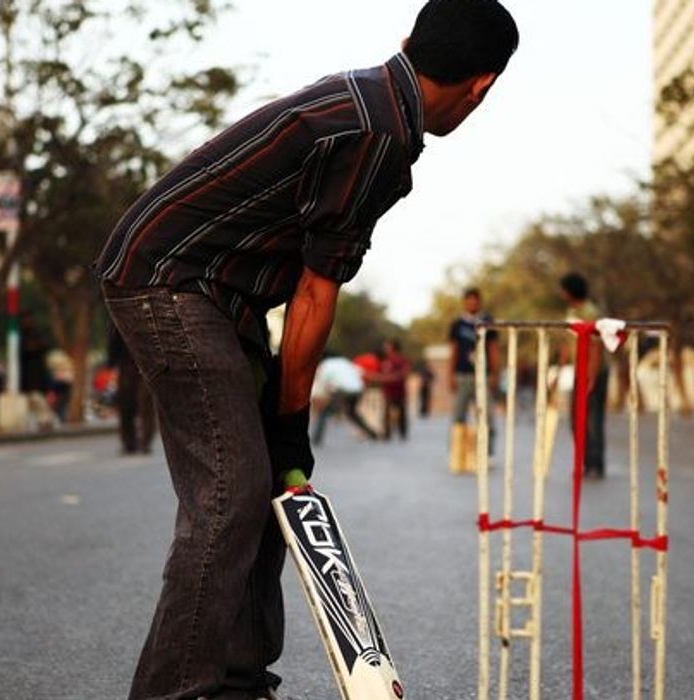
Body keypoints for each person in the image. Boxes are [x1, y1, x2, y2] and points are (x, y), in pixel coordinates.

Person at [93, 2, 518, 697]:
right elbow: (315, 295)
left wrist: (282, 427)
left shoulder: (371, 98)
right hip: (170, 282)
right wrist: (290, 423)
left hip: (214, 292)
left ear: (410, 41)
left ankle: (235, 680)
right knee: (230, 495)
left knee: (260, 491)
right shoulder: (379, 132)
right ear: (482, 86)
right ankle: (176, 691)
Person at [558, 272, 608, 478]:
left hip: (593, 370)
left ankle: (596, 464)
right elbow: (568, 343)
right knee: (576, 418)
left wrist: (592, 375)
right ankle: (585, 461)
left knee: (593, 419)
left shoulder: (590, 312)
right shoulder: (572, 312)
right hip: (578, 370)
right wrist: (559, 368)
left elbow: (596, 346)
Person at [448, 287, 499, 472]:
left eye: (475, 300)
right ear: (464, 302)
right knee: (458, 416)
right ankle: (457, 453)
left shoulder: (487, 322)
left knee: (486, 415)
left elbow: (493, 349)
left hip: (482, 375)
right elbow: (453, 350)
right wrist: (450, 374)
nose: (472, 303)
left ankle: (487, 454)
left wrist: (495, 373)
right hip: (462, 375)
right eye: (468, 300)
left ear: (479, 302)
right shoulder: (457, 324)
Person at [311, 354, 381, 445]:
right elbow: (361, 372)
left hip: (343, 391)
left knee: (324, 411)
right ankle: (373, 434)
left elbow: (322, 387)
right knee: (352, 414)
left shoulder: (325, 366)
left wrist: (320, 399)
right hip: (358, 390)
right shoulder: (345, 362)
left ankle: (316, 439)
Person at [108, 327, 156, 455]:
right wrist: (111, 362)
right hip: (127, 364)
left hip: (148, 363)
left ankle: (145, 441)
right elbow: (114, 341)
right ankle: (129, 442)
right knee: (126, 405)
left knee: (146, 404)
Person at [379, 339, 410, 441]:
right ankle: (387, 434)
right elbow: (381, 375)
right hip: (388, 391)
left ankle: (403, 434)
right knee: (386, 413)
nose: (385, 349)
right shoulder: (385, 361)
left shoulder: (401, 360)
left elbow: (404, 373)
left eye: (387, 347)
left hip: (399, 391)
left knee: (402, 413)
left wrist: (391, 377)